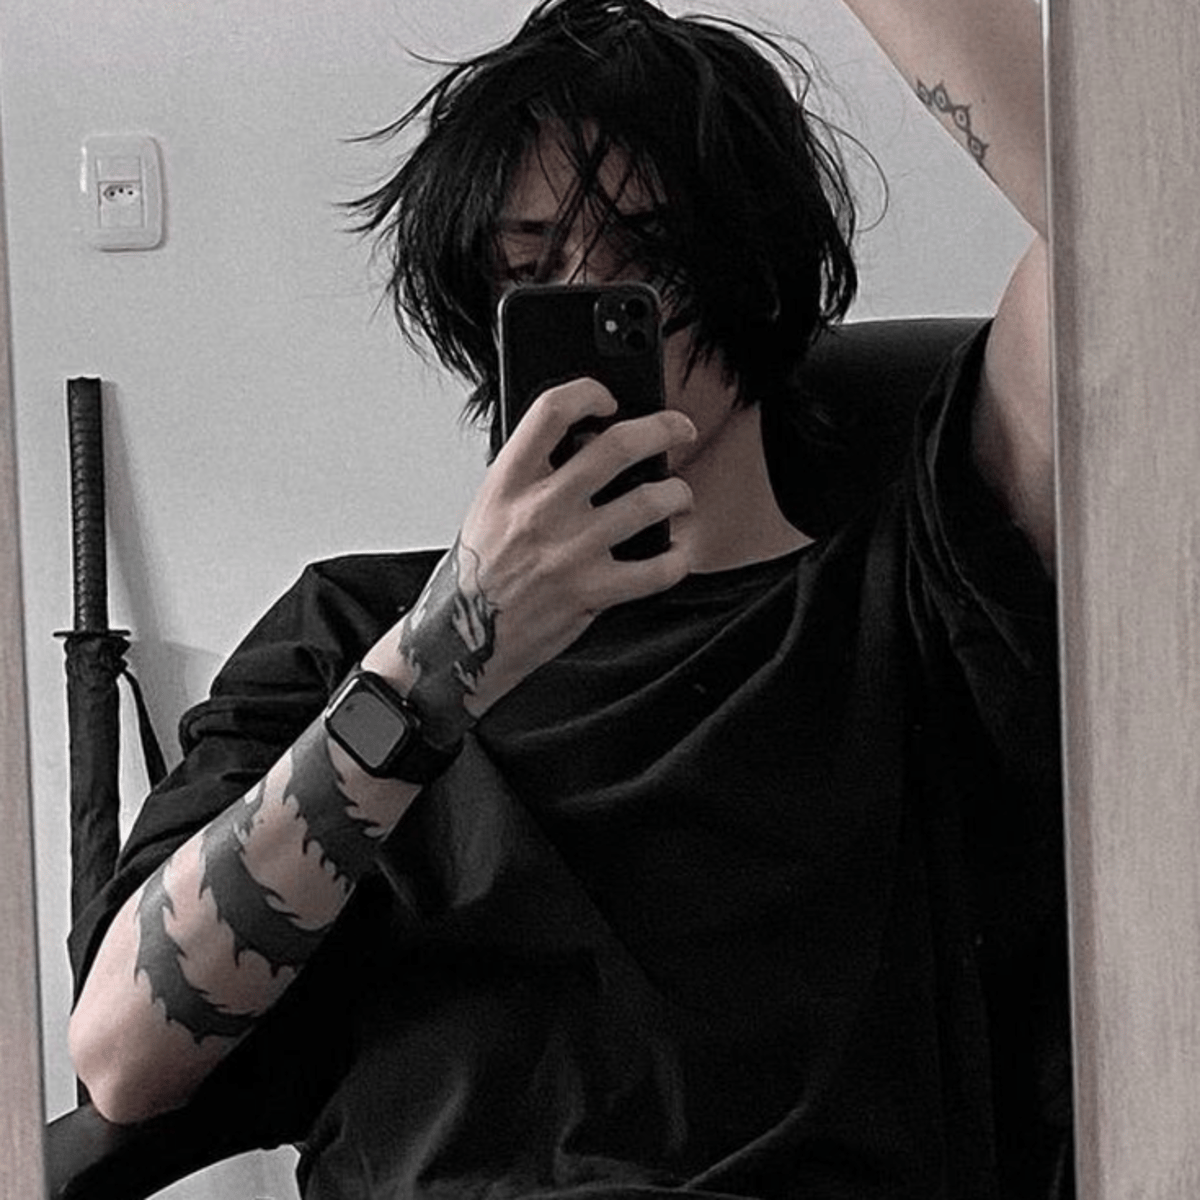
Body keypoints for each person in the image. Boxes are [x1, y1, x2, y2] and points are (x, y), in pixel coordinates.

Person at [67, 0, 1069, 1197]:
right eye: (530, 267)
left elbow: (1131, 217)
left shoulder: (917, 582)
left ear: (757, 267)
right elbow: (121, 1060)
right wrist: (443, 662)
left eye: (652, 250)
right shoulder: (351, 635)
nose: (593, 293)